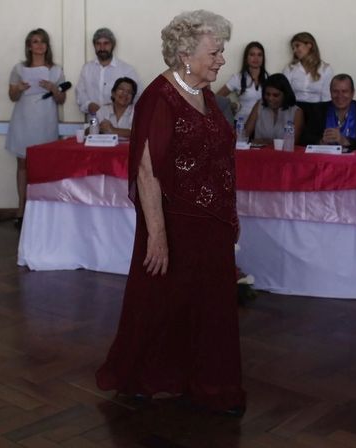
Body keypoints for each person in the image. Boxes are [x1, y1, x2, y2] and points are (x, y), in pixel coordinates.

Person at [96, 10, 246, 416]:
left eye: (221, 52)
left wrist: (230, 211)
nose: (220, 60)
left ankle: (208, 383)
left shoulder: (206, 95)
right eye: (214, 53)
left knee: (209, 309)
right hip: (175, 224)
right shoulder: (157, 99)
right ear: (185, 54)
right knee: (166, 304)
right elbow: (146, 171)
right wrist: (157, 235)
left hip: (211, 223)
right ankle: (147, 377)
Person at [5, 28, 66, 226]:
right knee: (22, 165)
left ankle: (42, 208)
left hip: (45, 121)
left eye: (42, 42)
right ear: (29, 46)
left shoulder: (56, 70)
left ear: (47, 46)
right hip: (23, 120)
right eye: (34, 42)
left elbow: (61, 99)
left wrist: (53, 88)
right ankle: (21, 208)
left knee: (44, 165)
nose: (39, 45)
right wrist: (19, 89)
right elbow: (12, 97)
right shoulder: (19, 69)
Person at [301, 74, 356, 150]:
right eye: (335, 91)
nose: (339, 96)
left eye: (344, 91)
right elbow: (303, 139)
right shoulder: (318, 110)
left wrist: (345, 141)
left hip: (354, 161)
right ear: (330, 92)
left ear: (352, 93)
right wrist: (321, 142)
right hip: (324, 160)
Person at [75, 28, 141, 115]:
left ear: (113, 45)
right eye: (98, 43)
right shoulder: (87, 69)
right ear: (94, 46)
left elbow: (137, 95)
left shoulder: (126, 70)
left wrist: (116, 107)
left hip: (120, 124)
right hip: (94, 122)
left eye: (106, 43)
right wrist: (89, 105)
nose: (102, 48)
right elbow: (80, 93)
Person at [244, 73, 303, 145]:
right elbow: (245, 134)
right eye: (267, 94)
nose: (270, 98)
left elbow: (293, 142)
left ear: (285, 95)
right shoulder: (259, 105)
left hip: (283, 154)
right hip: (259, 153)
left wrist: (265, 141)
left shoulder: (296, 112)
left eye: (276, 95)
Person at [216, 41, 268, 121]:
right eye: (252, 54)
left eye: (259, 55)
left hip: (263, 124)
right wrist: (232, 106)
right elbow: (217, 98)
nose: (256, 58)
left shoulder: (269, 78)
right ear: (246, 57)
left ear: (263, 58)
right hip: (242, 123)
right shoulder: (238, 78)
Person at [282, 32, 333, 104]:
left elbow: (326, 97)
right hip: (295, 108)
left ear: (309, 45)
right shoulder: (290, 68)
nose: (294, 51)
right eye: (293, 48)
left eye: (297, 46)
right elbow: (285, 93)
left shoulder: (325, 69)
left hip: (317, 109)